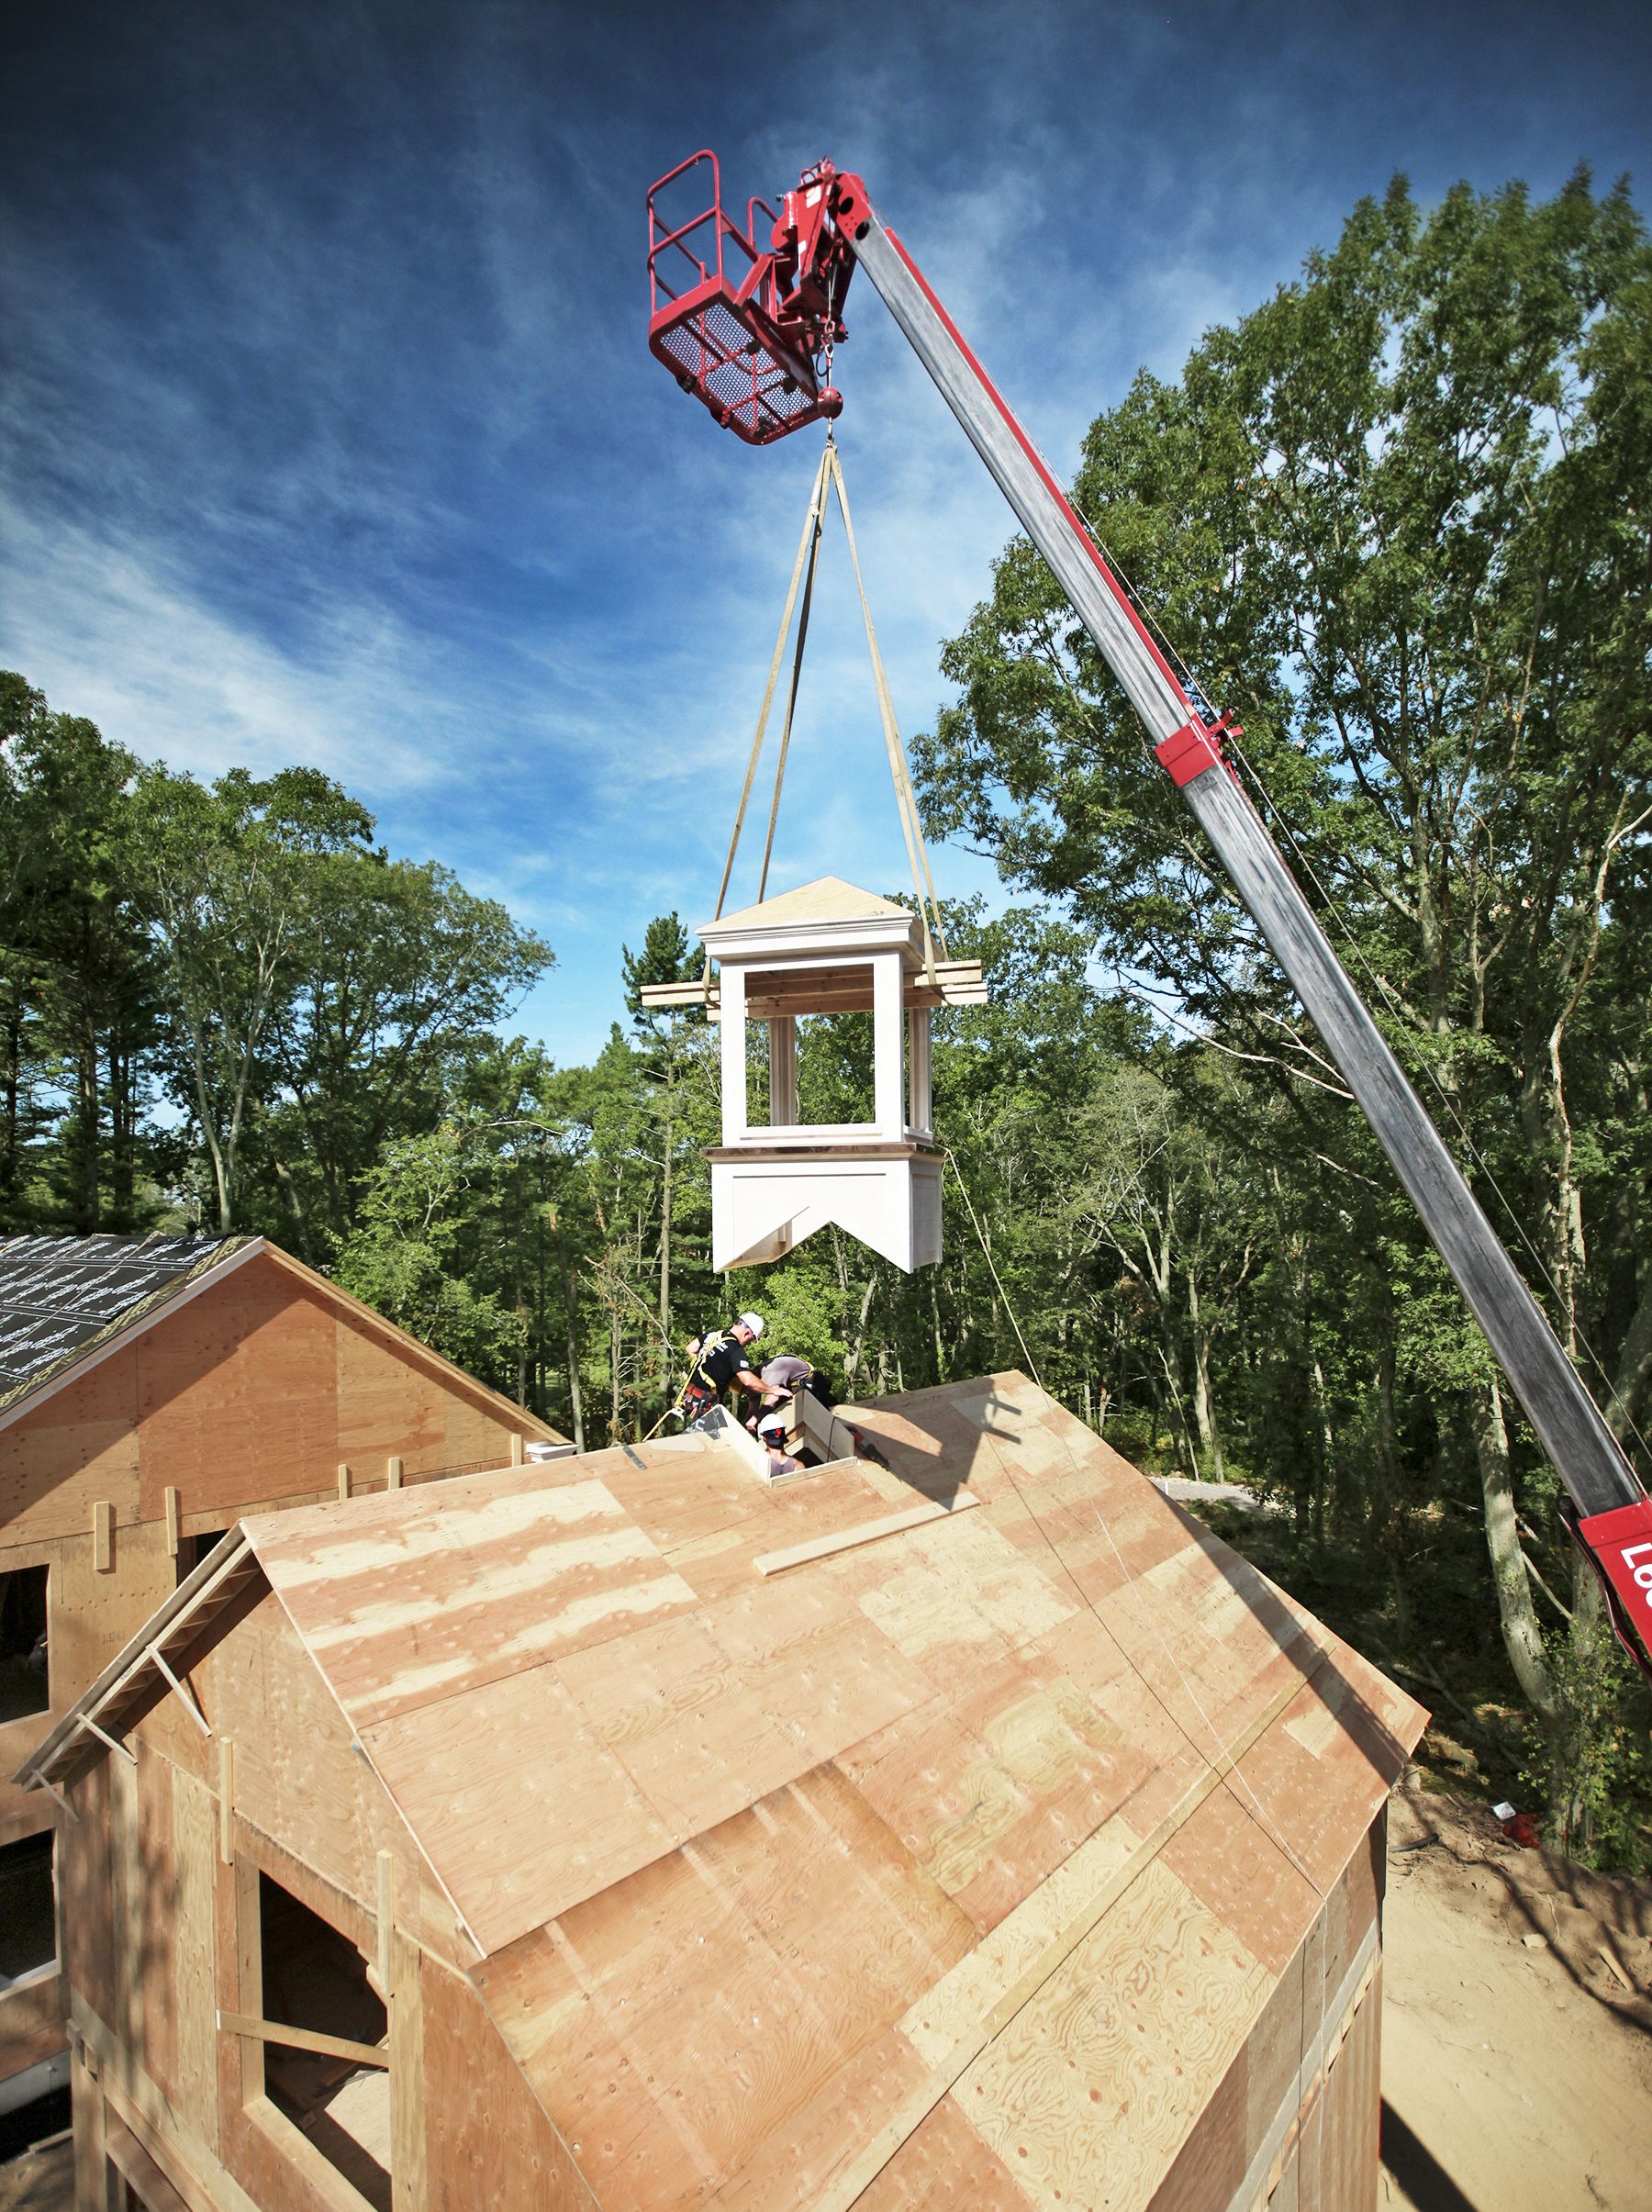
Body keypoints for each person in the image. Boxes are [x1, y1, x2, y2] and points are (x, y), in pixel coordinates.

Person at [676, 1313, 772, 1430]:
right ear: (747, 1333)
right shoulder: (735, 1349)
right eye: (750, 1340)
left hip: (687, 1397)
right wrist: (772, 1390)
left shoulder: (713, 1335)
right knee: (720, 1442)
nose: (748, 1344)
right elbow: (747, 1380)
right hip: (704, 1405)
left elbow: (691, 1348)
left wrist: (708, 1365)